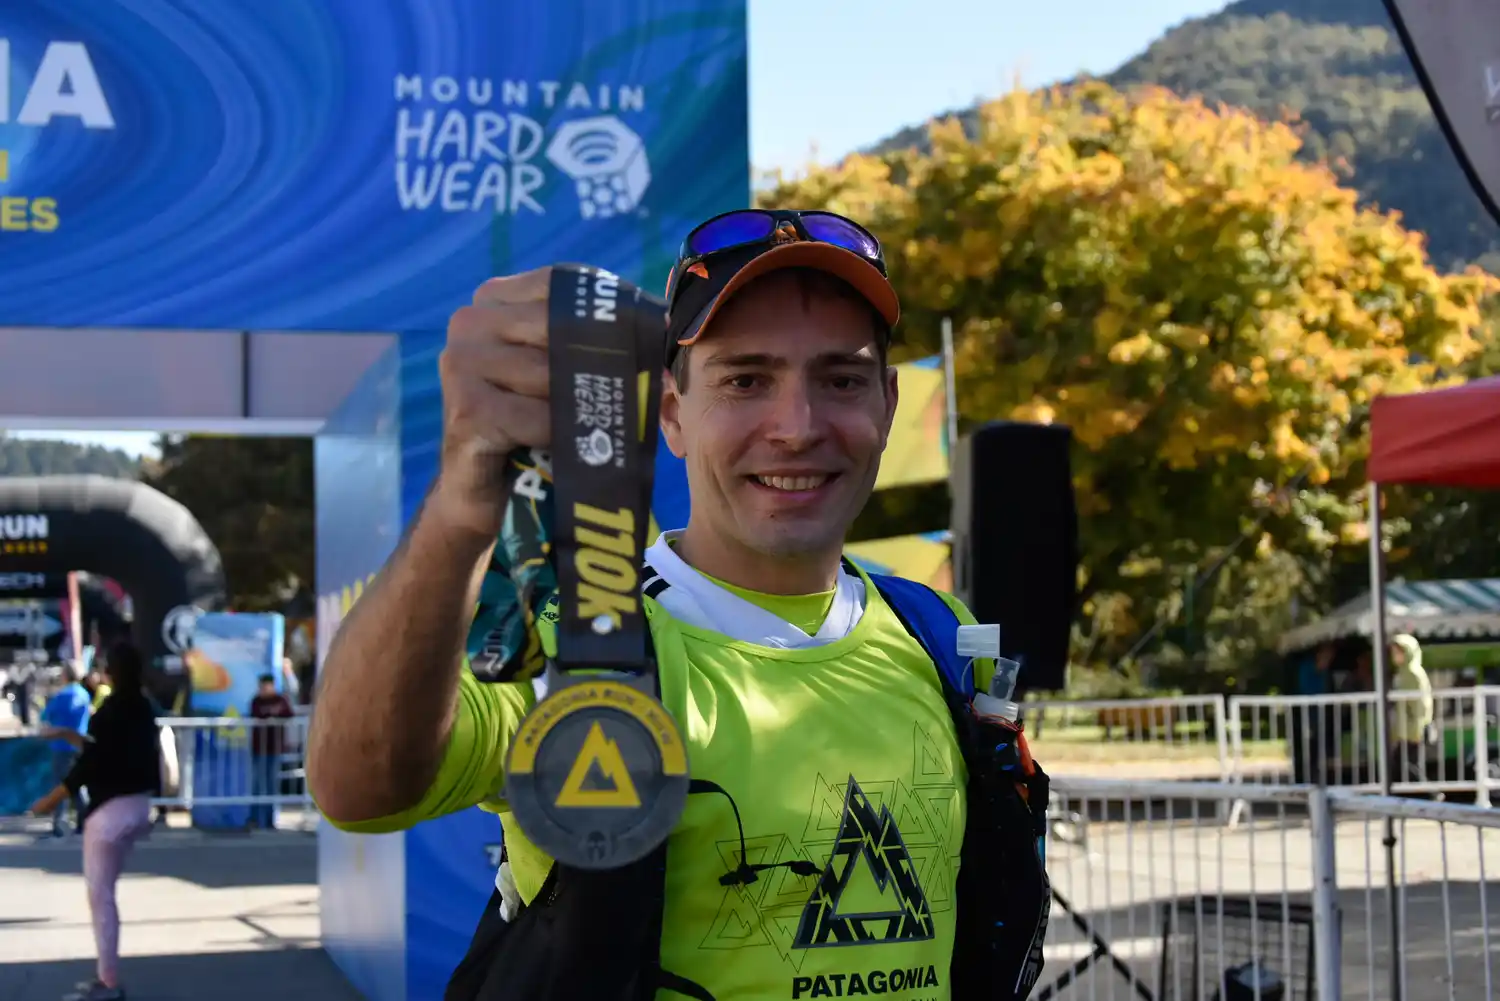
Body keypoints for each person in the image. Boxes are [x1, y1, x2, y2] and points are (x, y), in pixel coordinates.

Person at [307, 209, 1048, 1001]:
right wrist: (463, 500)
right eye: (745, 379)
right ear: (670, 414)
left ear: (888, 404)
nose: (797, 427)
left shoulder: (936, 636)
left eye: (840, 379)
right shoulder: (580, 633)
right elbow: (360, 786)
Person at [29, 642, 161, 1001]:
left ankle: (108, 981)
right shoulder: (144, 709)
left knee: (101, 898)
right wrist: (72, 737)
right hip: (140, 807)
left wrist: (47, 802)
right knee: (107, 894)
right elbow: (110, 748)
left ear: (111, 672)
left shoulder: (108, 712)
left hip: (108, 815)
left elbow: (89, 765)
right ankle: (107, 976)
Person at [39, 663, 92, 837]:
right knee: (78, 783)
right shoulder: (84, 694)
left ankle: (59, 824)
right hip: (79, 744)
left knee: (61, 785)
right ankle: (84, 820)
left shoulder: (62, 695)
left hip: (61, 745)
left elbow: (46, 715)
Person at [1388, 633, 1434, 790]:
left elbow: (1420, 705)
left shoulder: (1413, 673)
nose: (1394, 656)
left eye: (1398, 652)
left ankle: (1431, 794)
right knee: (1403, 764)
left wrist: (1417, 729)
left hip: (1413, 729)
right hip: (1405, 729)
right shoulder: (1402, 673)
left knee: (1405, 764)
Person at [248, 672, 294, 830]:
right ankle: (255, 818)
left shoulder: (281, 700)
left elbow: (289, 714)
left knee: (272, 784)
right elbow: (255, 714)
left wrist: (274, 718)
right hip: (259, 748)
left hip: (275, 747)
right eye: (262, 686)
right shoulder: (256, 701)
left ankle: (270, 819)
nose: (264, 689)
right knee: (258, 784)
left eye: (267, 686)